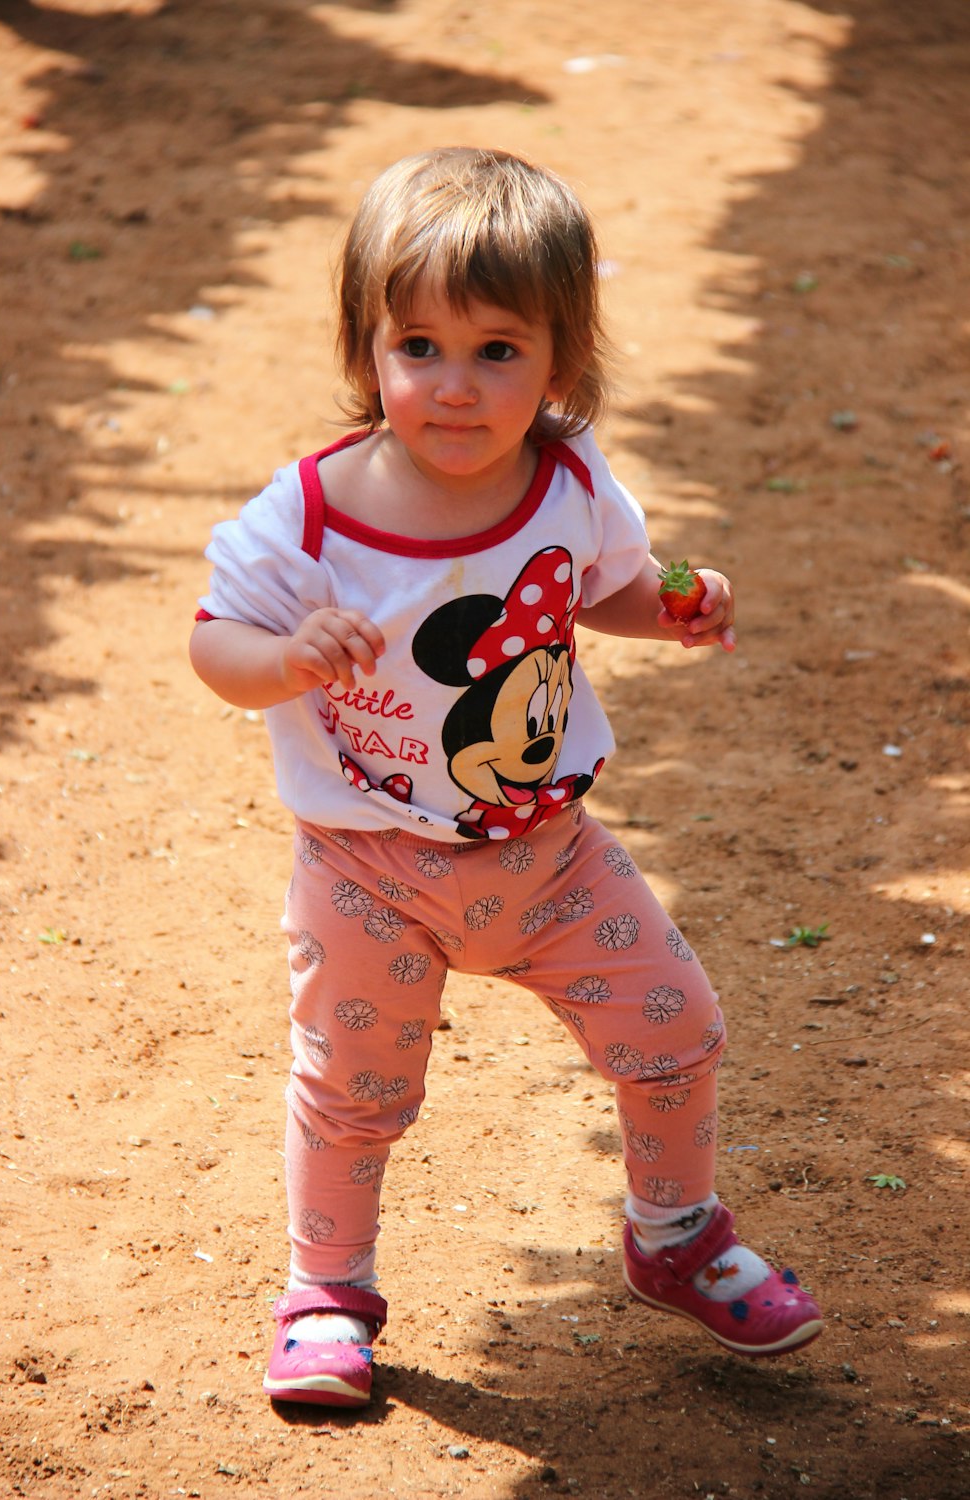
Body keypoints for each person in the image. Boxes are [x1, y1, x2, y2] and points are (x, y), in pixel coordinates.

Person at [190, 147, 822, 1407]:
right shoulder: (308, 517)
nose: (455, 387)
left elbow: (613, 590)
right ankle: (327, 1291)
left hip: (547, 853)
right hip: (368, 867)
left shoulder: (573, 480)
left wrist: (676, 610)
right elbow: (215, 644)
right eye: (417, 345)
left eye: (498, 351)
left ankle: (674, 1233)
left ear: (562, 364)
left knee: (677, 1027)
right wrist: (282, 656)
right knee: (353, 1092)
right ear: (367, 348)